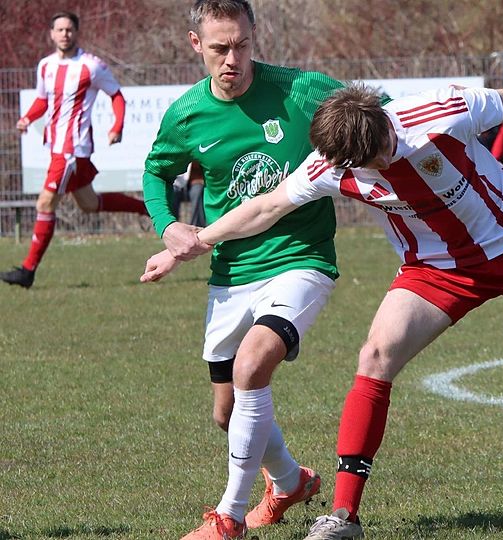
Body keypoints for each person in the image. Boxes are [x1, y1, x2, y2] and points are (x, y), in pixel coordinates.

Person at [142, 83, 503, 540]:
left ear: (383, 129)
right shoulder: (334, 164)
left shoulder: (438, 113)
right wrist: (198, 240)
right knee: (375, 355)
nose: (373, 170)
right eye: (360, 169)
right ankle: (343, 514)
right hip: (437, 269)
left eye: (377, 156)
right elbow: (266, 207)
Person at [140, 1, 351, 538]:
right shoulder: (187, 114)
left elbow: (374, 111)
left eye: (242, 45)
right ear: (196, 46)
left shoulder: (300, 90)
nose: (233, 58)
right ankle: (290, 480)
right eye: (219, 48)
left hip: (301, 259)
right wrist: (168, 226)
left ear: (255, 37)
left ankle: (227, 517)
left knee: (253, 363)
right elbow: (155, 171)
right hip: (231, 271)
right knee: (226, 412)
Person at [1, 11, 148, 289]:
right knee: (89, 204)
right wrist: (27, 118)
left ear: (76, 33)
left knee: (44, 204)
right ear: (52, 34)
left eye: (69, 29)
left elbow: (116, 95)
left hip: (72, 150)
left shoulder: (91, 66)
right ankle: (146, 208)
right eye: (59, 29)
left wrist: (117, 126)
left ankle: (27, 271)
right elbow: (43, 100)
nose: (64, 34)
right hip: (56, 147)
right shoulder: (45, 66)